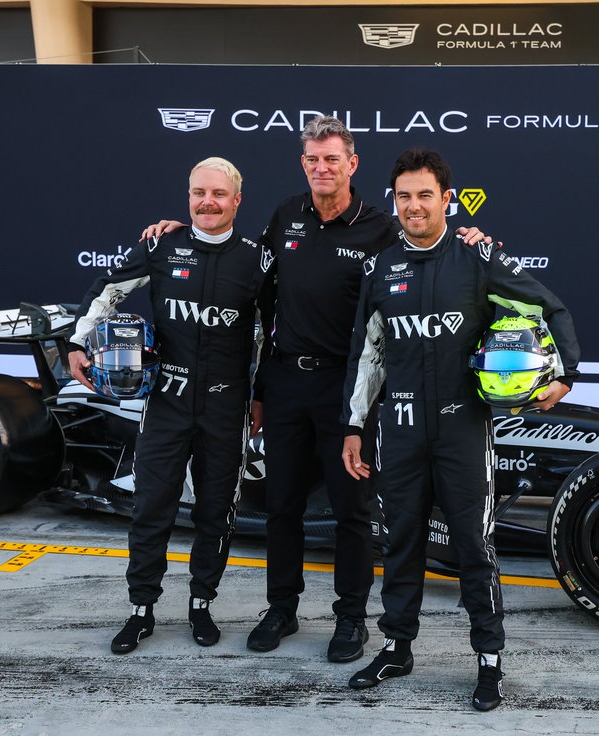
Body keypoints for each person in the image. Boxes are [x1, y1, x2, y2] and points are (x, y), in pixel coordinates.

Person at [142, 116, 494, 664]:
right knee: (280, 504)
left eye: (332, 158)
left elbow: (432, 246)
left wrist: (472, 237)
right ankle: (281, 607)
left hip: (347, 388)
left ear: (352, 164)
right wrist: (178, 235)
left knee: (352, 511)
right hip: (284, 383)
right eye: (312, 159)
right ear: (302, 163)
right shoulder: (286, 216)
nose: (322, 168)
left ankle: (351, 620)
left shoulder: (382, 226)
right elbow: (249, 282)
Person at [341, 147, 580, 711]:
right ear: (393, 201)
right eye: (404, 196)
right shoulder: (380, 269)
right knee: (400, 544)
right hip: (398, 431)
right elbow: (366, 355)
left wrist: (564, 373)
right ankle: (397, 646)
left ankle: (489, 662)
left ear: (447, 198)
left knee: (475, 546)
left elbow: (549, 308)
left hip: (462, 431)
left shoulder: (476, 257)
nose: (414, 206)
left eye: (425, 195)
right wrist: (353, 426)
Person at [68, 156, 271, 655]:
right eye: (199, 192)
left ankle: (202, 603)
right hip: (166, 404)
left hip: (226, 410)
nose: (208, 202)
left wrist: (260, 394)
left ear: (237, 201)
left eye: (219, 194)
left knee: (216, 512)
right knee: (151, 508)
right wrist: (77, 341)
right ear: (188, 197)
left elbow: (271, 334)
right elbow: (108, 291)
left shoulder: (258, 258)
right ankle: (141, 609)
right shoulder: (162, 244)